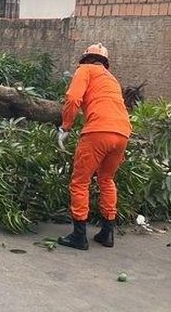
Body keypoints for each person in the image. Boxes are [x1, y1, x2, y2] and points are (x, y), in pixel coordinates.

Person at [57, 43, 132, 250]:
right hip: (123, 132)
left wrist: (65, 126)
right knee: (107, 179)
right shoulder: (111, 79)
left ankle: (79, 236)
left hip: (98, 131)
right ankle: (107, 233)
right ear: (105, 63)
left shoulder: (85, 70)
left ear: (85, 58)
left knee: (80, 182)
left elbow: (73, 98)